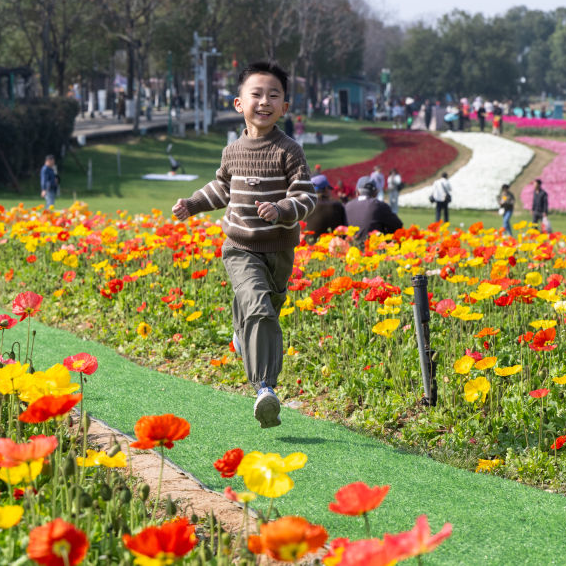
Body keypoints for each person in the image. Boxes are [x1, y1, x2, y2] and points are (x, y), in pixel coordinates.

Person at [172, 61, 316, 429]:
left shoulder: (290, 151)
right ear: (239, 103)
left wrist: (282, 209)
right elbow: (222, 187)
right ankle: (265, 387)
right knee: (258, 307)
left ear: (285, 107)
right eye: (257, 94)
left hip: (279, 250)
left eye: (274, 95)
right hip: (240, 246)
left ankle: (241, 336)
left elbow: (306, 196)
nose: (265, 101)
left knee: (267, 306)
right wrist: (193, 203)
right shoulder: (232, 151)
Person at [344, 178, 402, 243]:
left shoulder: (346, 206)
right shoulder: (379, 205)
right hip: (374, 247)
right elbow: (398, 225)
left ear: (357, 192)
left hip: (350, 247)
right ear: (375, 193)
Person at [303, 174, 347, 242]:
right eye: (329, 189)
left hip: (309, 246)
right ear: (326, 189)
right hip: (334, 246)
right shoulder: (337, 205)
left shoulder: (306, 206)